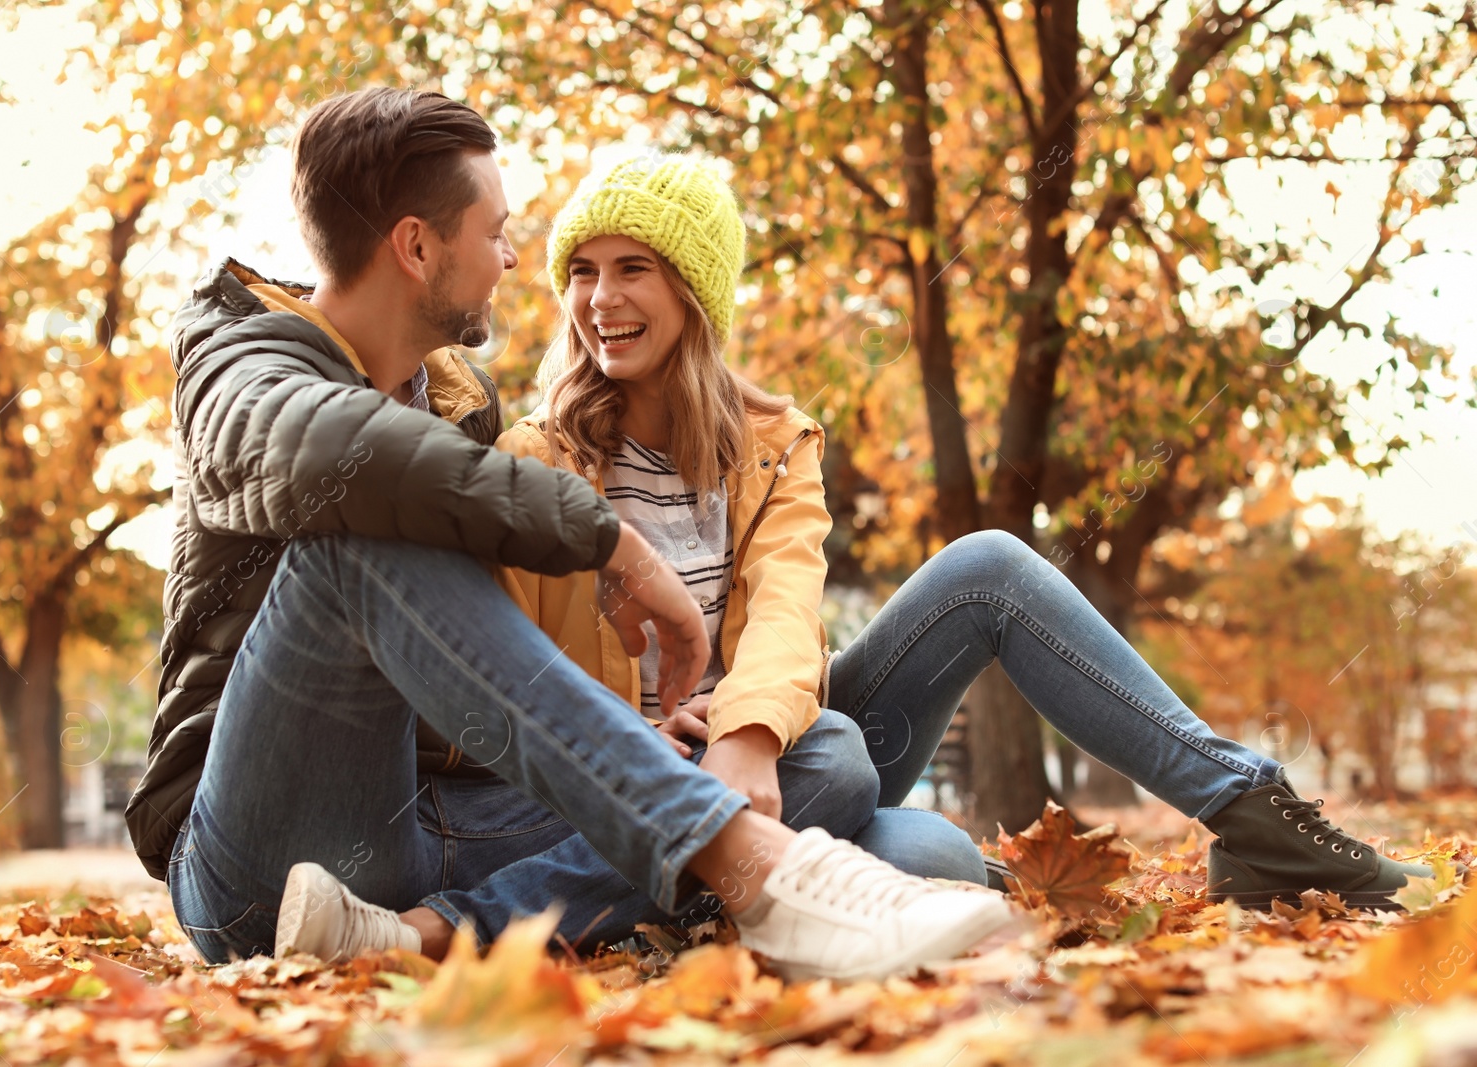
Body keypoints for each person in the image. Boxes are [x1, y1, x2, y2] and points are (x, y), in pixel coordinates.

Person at [389, 154, 1435, 955]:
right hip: (643, 771)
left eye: (632, 269)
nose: (598, 298)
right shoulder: (539, 457)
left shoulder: (773, 442)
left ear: (696, 288)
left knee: (983, 564)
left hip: (775, 748)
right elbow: (503, 672)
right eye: (580, 272)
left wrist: (748, 731)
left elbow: (790, 605)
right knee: (924, 845)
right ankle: (738, 886)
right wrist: (646, 736)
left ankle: (1254, 813)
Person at [128, 86, 1014, 984]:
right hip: (257, 865)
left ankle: (428, 932)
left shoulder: (463, 402)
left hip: (428, 832)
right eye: (496, 231)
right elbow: (329, 455)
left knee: (830, 759)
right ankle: (761, 868)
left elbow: (470, 657)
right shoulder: (237, 358)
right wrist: (612, 544)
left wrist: (647, 742)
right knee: (359, 530)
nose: (515, 259)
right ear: (418, 245)